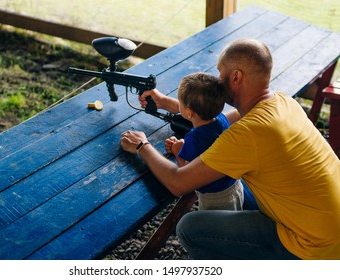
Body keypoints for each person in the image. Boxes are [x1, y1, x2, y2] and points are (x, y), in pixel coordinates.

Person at [120, 38, 340, 260]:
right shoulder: (282, 102)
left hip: (315, 247)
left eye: (220, 71)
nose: (217, 79)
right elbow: (217, 119)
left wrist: (142, 145)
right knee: (236, 179)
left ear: (236, 76)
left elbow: (178, 183)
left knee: (190, 228)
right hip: (326, 222)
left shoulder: (248, 133)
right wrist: (165, 102)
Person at [164, 72, 243, 211]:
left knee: (220, 230)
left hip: (214, 198)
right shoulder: (221, 119)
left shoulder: (194, 139)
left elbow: (187, 175)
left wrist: (178, 152)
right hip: (234, 186)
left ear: (189, 112)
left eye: (180, 102)